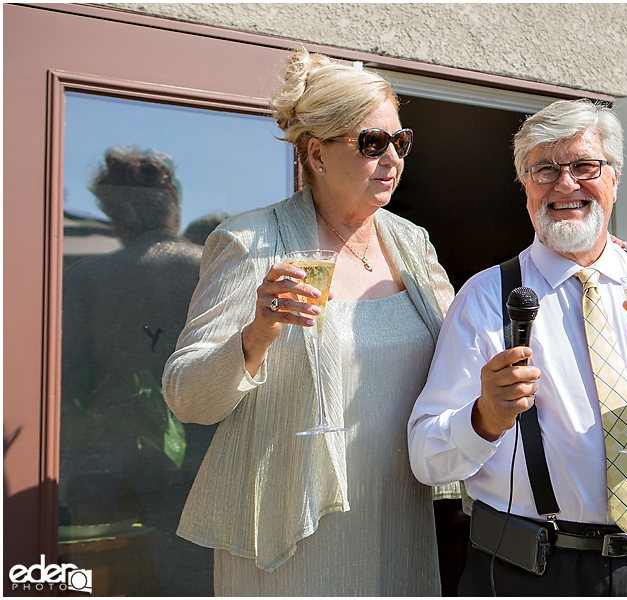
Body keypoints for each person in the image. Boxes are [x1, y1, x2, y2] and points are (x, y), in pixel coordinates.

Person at [408, 99, 627, 596]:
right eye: (545, 169)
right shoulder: (486, 297)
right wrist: (484, 416)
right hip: (534, 574)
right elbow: (426, 458)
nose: (566, 183)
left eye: (584, 165)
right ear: (526, 188)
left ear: (614, 179)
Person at [162, 48, 456, 596]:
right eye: (372, 143)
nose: (392, 157)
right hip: (288, 534)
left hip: (399, 516)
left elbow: (464, 353)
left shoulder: (411, 243)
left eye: (402, 141)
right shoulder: (250, 243)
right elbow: (186, 397)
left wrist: (583, 262)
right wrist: (255, 338)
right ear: (317, 155)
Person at [60, 146, 214, 595]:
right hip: (203, 462)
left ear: (114, 220)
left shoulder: (87, 278)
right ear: (174, 208)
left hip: (117, 466)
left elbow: (66, 380)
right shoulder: (209, 266)